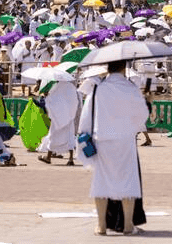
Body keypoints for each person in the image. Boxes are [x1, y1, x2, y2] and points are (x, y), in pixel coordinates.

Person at [77, 58, 151, 236]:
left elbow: (86, 115)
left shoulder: (98, 88)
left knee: (102, 180)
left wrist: (83, 136)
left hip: (101, 138)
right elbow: (142, 116)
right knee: (128, 180)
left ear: (108, 68)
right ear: (124, 69)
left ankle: (101, 226)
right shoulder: (131, 88)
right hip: (125, 140)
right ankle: (127, 225)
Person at [37, 76, 80, 166]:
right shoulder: (71, 87)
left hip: (58, 118)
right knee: (69, 137)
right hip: (69, 117)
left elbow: (52, 102)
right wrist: (71, 115)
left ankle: (48, 157)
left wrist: (47, 96)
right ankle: (71, 159)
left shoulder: (56, 88)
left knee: (53, 136)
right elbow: (75, 102)